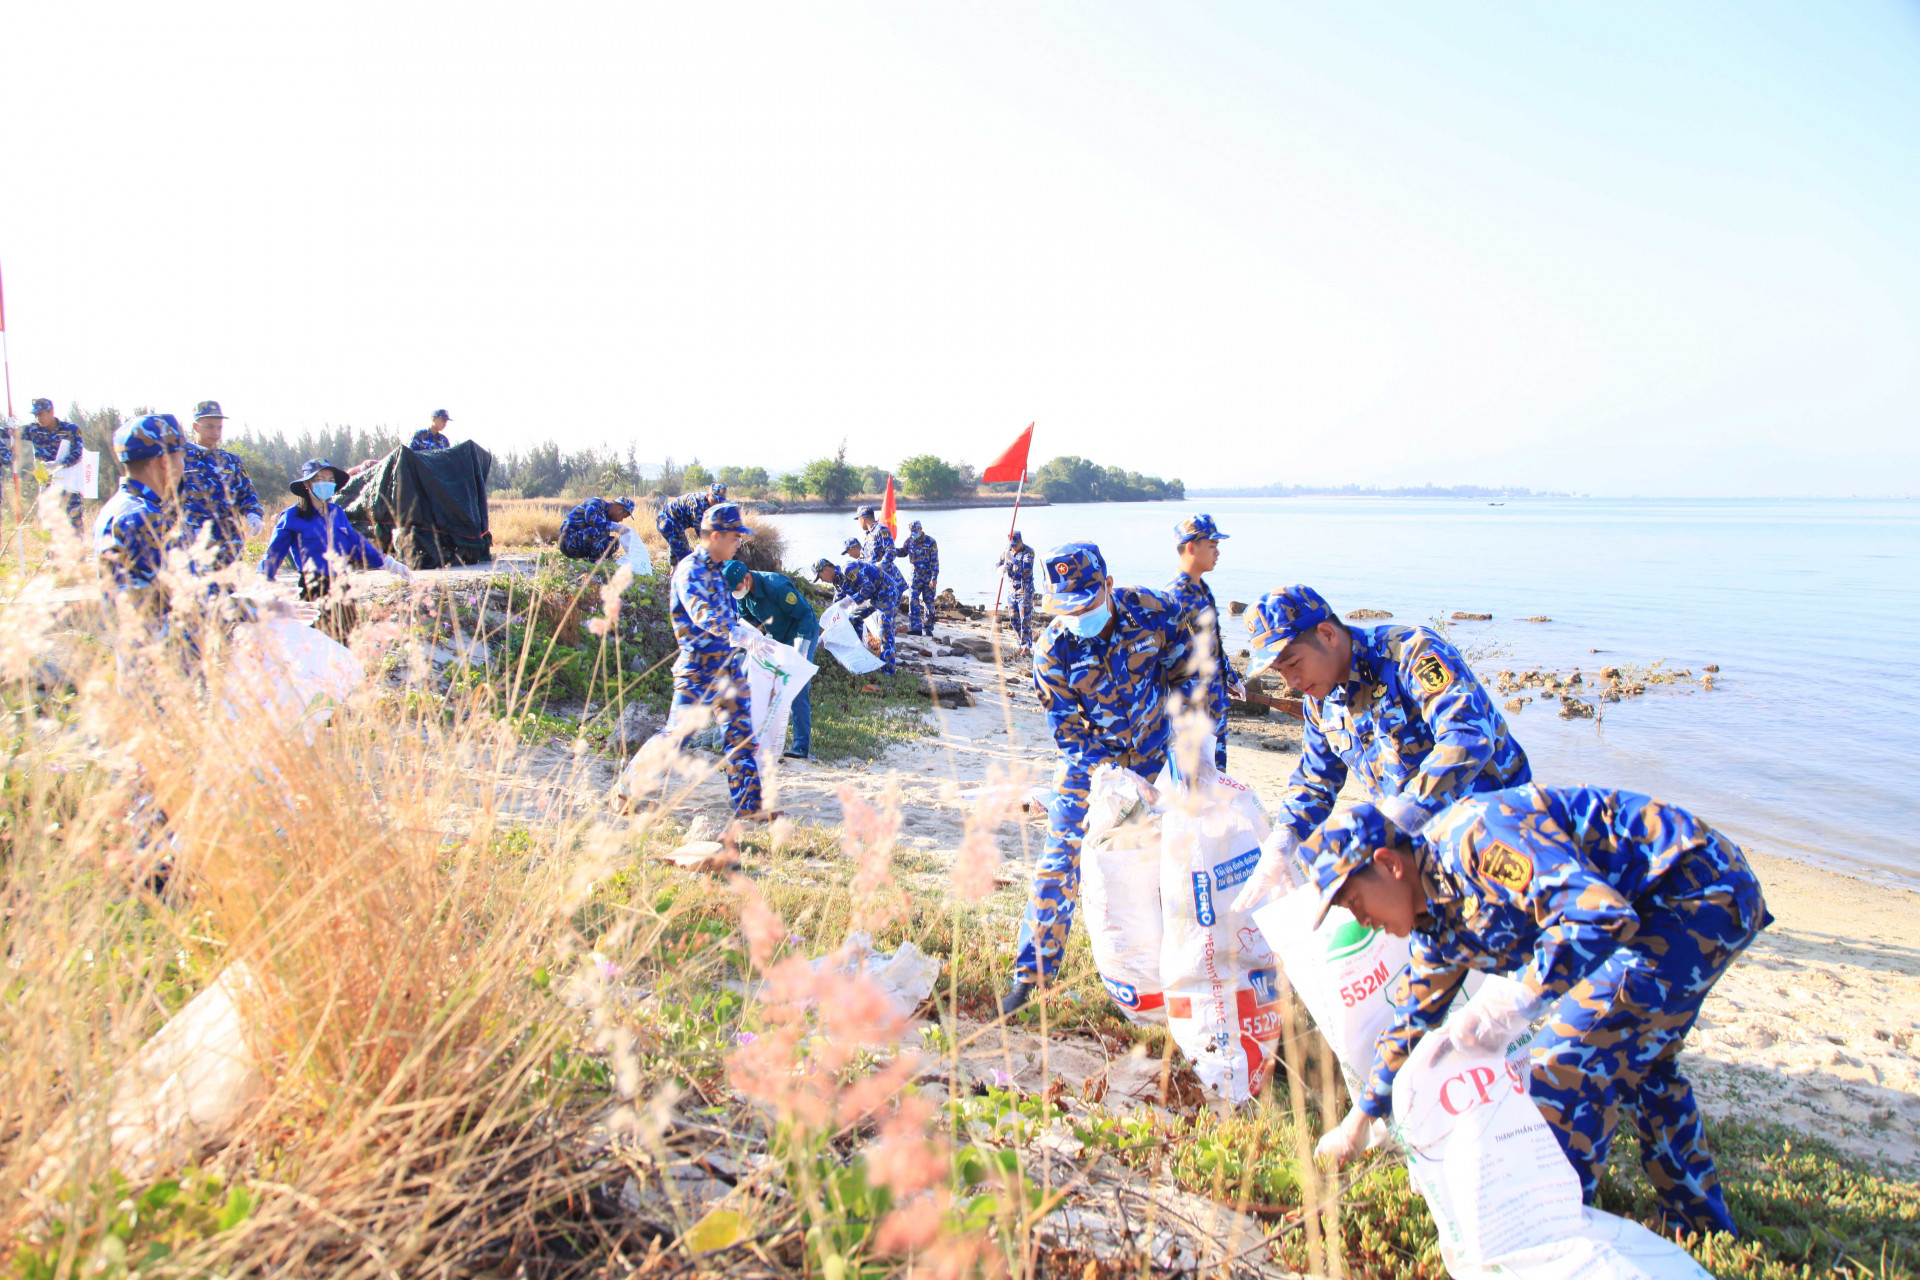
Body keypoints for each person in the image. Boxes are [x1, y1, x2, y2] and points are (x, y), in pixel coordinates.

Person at [1304, 790, 1771, 1238]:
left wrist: (1520, 997)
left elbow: (1598, 916)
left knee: (1564, 1064)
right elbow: (1410, 1017)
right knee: (1644, 1067)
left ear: (1388, 864)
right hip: (1657, 909)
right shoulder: (1433, 920)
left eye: (1354, 902)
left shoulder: (1478, 841)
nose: (1361, 920)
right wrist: (1361, 1117)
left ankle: (1550, 1237)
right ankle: (1703, 1227)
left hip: (1692, 889)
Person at [1228, 585, 1530, 913]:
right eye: (1279, 672)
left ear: (1327, 634)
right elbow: (1315, 781)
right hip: (1423, 855)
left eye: (1294, 663)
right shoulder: (1321, 701)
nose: (1290, 682)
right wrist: (1284, 837)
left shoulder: (1410, 654)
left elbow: (1468, 734)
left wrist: (1403, 812)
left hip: (1498, 834)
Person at [1002, 542, 1195, 1015]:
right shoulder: (1053, 650)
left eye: (1087, 605)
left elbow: (1190, 678)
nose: (1077, 616)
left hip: (1159, 757)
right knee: (1058, 864)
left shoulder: (1154, 611)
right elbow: (1068, 735)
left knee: (1180, 863)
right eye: (1067, 608)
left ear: (1108, 586)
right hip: (1092, 769)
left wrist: (1197, 755)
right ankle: (1029, 978)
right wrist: (1118, 779)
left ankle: (1177, 977)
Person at [652, 502, 776, 818]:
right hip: (698, 668)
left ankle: (749, 807)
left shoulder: (718, 572)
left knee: (741, 738)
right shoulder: (690, 570)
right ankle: (627, 791)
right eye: (736, 537)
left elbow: (727, 614)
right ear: (717, 535)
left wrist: (749, 635)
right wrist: (741, 635)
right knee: (676, 737)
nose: (740, 543)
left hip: (727, 668)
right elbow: (703, 614)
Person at [260, 458, 412, 639]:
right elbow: (274, 552)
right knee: (318, 642)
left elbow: (356, 543)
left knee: (346, 640)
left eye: (330, 480)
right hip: (313, 588)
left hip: (342, 585)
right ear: (308, 484)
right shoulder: (293, 516)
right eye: (321, 479)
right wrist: (263, 579)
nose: (327, 483)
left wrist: (388, 563)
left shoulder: (337, 513)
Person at [1164, 514, 1245, 771]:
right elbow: (1163, 659)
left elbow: (1211, 645)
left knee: (1215, 781)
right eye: (1212, 545)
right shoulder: (1174, 597)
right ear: (1191, 547)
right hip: (1191, 712)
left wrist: (1230, 678)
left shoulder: (1202, 590)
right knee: (1191, 788)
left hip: (1214, 705)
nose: (1217, 552)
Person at [723, 558, 818, 760]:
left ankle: (801, 747)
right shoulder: (742, 594)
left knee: (797, 687)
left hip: (801, 632)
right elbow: (747, 622)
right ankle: (753, 738)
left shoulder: (777, 586)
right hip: (776, 636)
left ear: (747, 578)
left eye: (736, 587)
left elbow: (805, 616)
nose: (735, 592)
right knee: (755, 680)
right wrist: (746, 646)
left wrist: (799, 653)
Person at [93, 413, 188, 607]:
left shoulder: (115, 508)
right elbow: (180, 601)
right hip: (157, 634)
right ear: (164, 461)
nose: (183, 467)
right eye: (181, 458)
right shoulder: (147, 517)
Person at [177, 400, 265, 573]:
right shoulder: (179, 459)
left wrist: (253, 514)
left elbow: (247, 493)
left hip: (229, 545)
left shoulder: (230, 461)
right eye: (210, 426)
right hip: (194, 545)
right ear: (196, 427)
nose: (216, 432)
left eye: (219, 427)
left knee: (230, 596)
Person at [811, 555, 900, 675]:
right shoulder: (837, 582)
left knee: (884, 630)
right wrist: (826, 630)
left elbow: (869, 587)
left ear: (825, 569)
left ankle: (889, 671)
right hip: (871, 598)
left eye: (820, 577)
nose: (822, 580)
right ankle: (859, 652)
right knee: (853, 618)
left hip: (886, 593)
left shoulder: (847, 570)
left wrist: (851, 600)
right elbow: (836, 606)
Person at [18, 396, 86, 529]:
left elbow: (77, 454)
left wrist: (59, 464)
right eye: (36, 415)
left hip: (68, 486)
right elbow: (10, 433)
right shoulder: (34, 430)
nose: (38, 418)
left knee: (74, 527)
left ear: (51, 412)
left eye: (41, 414)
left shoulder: (71, 430)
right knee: (50, 527)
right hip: (47, 485)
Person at [655, 481, 727, 567]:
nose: (717, 505)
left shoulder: (717, 507)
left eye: (720, 502)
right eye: (714, 500)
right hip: (668, 521)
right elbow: (703, 534)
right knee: (686, 557)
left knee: (677, 549)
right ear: (708, 496)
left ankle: (673, 573)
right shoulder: (698, 505)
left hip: (678, 524)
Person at [894, 519, 940, 636]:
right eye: (911, 531)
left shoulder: (930, 542)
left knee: (929, 603)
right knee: (913, 601)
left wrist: (934, 577)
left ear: (920, 529)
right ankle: (915, 628)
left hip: (928, 577)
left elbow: (935, 561)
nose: (913, 533)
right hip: (914, 578)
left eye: (915, 531)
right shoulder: (909, 541)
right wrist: (892, 550)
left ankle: (929, 628)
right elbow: (903, 553)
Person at [855, 506, 909, 606]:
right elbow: (866, 558)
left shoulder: (881, 530)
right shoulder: (868, 535)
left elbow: (891, 551)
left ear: (862, 518)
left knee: (886, 617)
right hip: (879, 583)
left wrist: (878, 566)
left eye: (858, 519)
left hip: (890, 581)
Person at [558, 495, 637, 562]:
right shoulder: (596, 503)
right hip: (567, 542)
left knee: (614, 542)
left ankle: (601, 560)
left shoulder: (607, 516)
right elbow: (591, 519)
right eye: (623, 517)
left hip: (581, 543)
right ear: (619, 509)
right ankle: (596, 562)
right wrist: (614, 526)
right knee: (598, 531)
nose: (621, 520)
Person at [996, 530, 1036, 651]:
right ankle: (1020, 641)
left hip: (1024, 590)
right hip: (1012, 590)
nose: (1013, 548)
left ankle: (1026, 646)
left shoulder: (1029, 552)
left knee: (1025, 619)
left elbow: (1026, 569)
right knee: (1013, 618)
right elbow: (999, 562)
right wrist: (999, 568)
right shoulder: (1007, 551)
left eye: (1015, 545)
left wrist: (1013, 560)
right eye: (1012, 545)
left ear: (1020, 542)